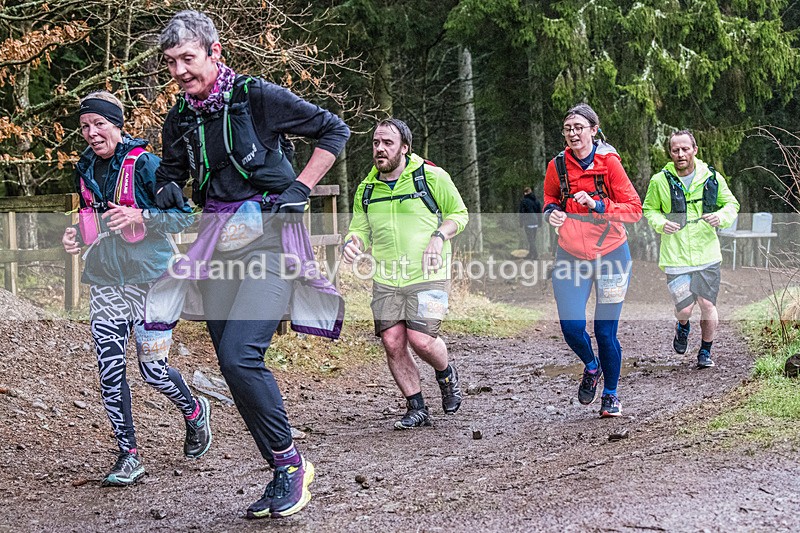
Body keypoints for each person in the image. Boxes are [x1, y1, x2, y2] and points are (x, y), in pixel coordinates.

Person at [152, 10, 349, 519]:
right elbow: (169, 176)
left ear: (215, 53)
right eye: (171, 62)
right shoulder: (180, 118)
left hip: (269, 240)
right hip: (217, 246)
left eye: (188, 59)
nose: (179, 71)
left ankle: (290, 466)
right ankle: (283, 466)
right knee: (232, 363)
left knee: (241, 354)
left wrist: (300, 188)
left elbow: (334, 130)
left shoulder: (255, 97)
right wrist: (166, 188)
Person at [61, 91, 210, 487]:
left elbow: (183, 217)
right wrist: (77, 235)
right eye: (85, 127)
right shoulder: (86, 168)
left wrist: (142, 213)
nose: (92, 133)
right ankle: (128, 455)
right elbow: (93, 219)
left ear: (117, 124)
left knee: (153, 371)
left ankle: (195, 411)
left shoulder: (146, 165)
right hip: (106, 281)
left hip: (153, 281)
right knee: (110, 371)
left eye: (99, 124)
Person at [342, 118, 469, 430]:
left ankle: (446, 373)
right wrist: (353, 242)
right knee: (392, 341)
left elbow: (459, 214)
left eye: (387, 143)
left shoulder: (431, 177)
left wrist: (438, 238)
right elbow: (360, 228)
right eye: (375, 143)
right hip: (387, 278)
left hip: (430, 273)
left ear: (404, 147)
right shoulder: (367, 188)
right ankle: (416, 406)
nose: (380, 149)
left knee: (422, 339)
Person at [543, 103, 642, 417]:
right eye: (568, 128)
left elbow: (634, 210)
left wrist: (598, 204)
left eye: (579, 128)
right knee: (571, 327)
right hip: (570, 255)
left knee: (604, 331)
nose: (573, 133)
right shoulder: (557, 166)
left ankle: (610, 395)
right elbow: (549, 199)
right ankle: (592, 366)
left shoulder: (609, 164)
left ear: (593, 130)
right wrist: (551, 213)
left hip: (612, 254)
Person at [642, 130, 740, 368]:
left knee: (707, 305)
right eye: (675, 150)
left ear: (695, 150)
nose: (680, 154)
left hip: (707, 254)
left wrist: (720, 217)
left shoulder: (711, 177)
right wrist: (661, 223)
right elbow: (649, 210)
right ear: (670, 153)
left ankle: (705, 351)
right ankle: (682, 326)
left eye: (685, 149)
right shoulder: (659, 180)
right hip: (675, 255)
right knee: (685, 309)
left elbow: (731, 204)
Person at [519, 186, 542, 259]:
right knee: (533, 239)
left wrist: (521, 222)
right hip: (535, 222)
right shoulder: (536, 201)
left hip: (528, 222)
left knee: (530, 240)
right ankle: (530, 254)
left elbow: (521, 212)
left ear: (525, 193)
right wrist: (540, 222)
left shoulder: (524, 201)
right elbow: (539, 212)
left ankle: (535, 255)